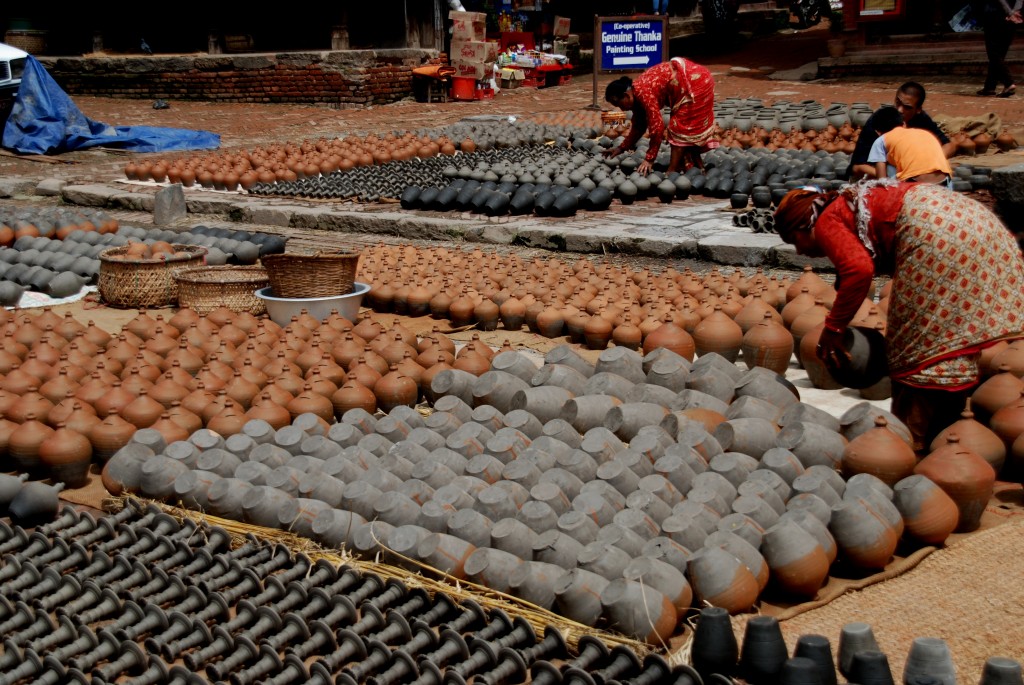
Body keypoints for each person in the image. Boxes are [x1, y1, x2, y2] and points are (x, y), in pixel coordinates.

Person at [774, 181, 1024, 453]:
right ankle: (950, 428)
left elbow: (859, 270)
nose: (798, 251)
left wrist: (834, 328)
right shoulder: (843, 205)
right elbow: (857, 257)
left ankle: (914, 441)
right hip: (973, 223)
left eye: (794, 241)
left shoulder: (824, 221)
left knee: (915, 348)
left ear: (804, 225)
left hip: (936, 236)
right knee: (952, 338)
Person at [603, 57, 718, 175]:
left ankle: (671, 171)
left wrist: (649, 159)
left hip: (694, 82)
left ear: (626, 95)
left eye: (618, 103)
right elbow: (639, 126)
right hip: (690, 82)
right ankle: (698, 167)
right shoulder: (636, 96)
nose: (621, 108)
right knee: (684, 131)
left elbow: (657, 127)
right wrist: (620, 148)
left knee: (678, 128)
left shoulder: (643, 92)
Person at [849, 82, 955, 181]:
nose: (900, 110)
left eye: (907, 107)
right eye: (898, 102)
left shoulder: (922, 120)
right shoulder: (880, 121)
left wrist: (927, 159)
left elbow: (949, 146)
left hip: (917, 172)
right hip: (891, 171)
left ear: (918, 110)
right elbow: (857, 167)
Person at [865, 106, 953, 186]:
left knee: (888, 167)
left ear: (878, 132)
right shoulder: (925, 133)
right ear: (904, 124)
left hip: (915, 183)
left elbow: (882, 180)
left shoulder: (881, 140)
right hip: (945, 181)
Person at [977, 0, 1022, 97]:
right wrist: (1015, 12)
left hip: (997, 16)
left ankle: (1008, 83)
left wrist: (1010, 13)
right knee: (1000, 53)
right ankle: (989, 87)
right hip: (1012, 18)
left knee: (994, 53)